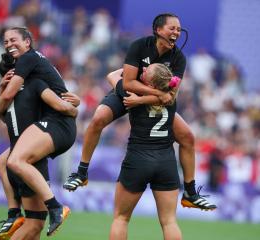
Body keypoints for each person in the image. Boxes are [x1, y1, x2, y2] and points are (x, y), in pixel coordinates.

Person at [64, 13, 216, 211]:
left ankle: (190, 192)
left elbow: (170, 97)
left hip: (148, 99)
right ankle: (81, 173)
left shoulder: (179, 57)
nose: (177, 33)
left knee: (187, 136)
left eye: (179, 29)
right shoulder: (139, 46)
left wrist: (141, 99)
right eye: (172, 28)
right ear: (158, 30)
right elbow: (128, 83)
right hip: (128, 93)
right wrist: (153, 93)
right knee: (98, 118)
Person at [0, 26, 78, 236]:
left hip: (56, 124)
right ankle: (23, 212)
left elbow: (2, 107)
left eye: (13, 39)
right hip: (49, 127)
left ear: (27, 43)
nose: (8, 45)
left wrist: (71, 107)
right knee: (34, 224)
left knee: (11, 161)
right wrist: (71, 104)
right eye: (5, 42)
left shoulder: (28, 63)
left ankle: (39, 209)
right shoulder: (32, 79)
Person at [109, 63, 182, 240]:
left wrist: (132, 68)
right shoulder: (171, 96)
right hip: (166, 161)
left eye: (146, 72)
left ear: (150, 85)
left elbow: (112, 76)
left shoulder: (134, 94)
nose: (142, 71)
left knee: (121, 218)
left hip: (138, 159)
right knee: (169, 222)